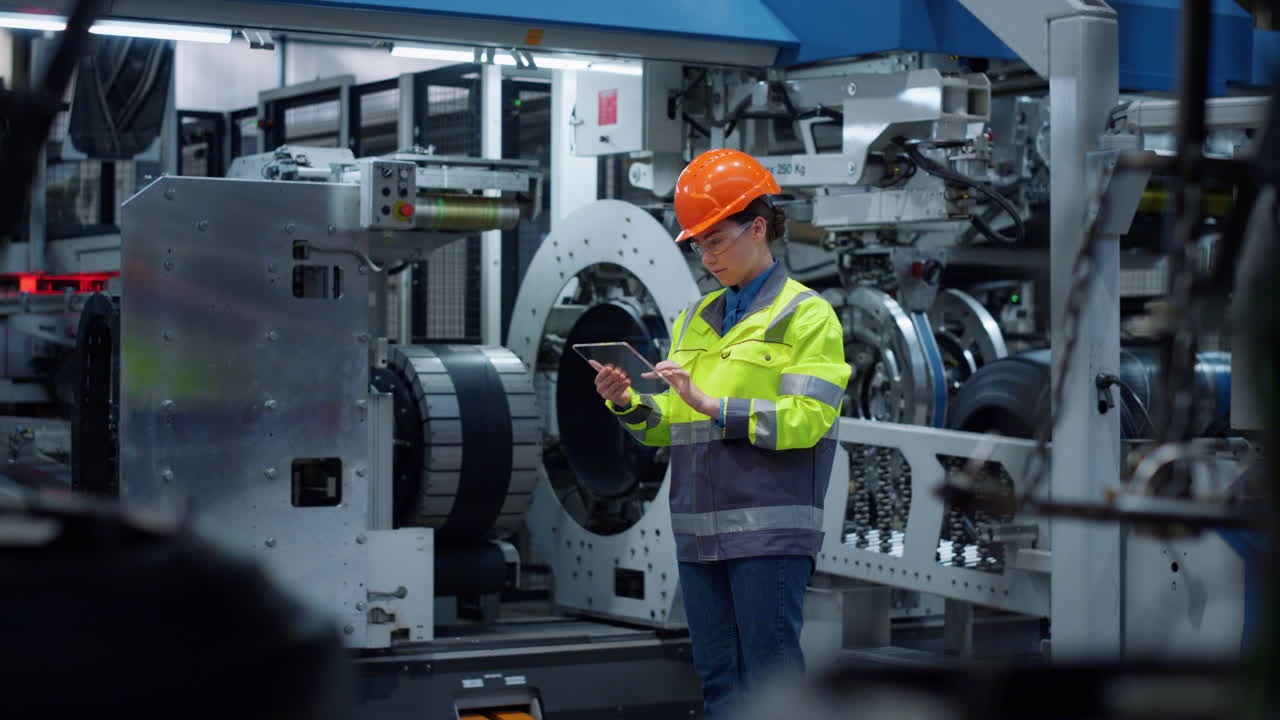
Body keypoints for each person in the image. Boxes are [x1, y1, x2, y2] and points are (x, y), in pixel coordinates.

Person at [589, 148, 850, 717]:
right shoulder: (695, 319)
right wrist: (627, 402)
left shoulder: (806, 316)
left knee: (771, 683)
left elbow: (808, 419)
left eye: (716, 240)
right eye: (698, 245)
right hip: (698, 536)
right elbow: (671, 427)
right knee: (718, 683)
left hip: (768, 537)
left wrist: (715, 404)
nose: (707, 257)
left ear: (758, 228)